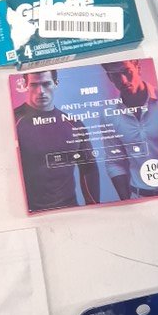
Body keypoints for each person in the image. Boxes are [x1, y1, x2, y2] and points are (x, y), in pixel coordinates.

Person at [14, 70, 100, 212]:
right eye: (34, 85)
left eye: (46, 84)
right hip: (28, 213)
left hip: (71, 208)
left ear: (56, 84)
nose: (41, 91)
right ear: (25, 86)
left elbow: (89, 167)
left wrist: (94, 205)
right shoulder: (14, 121)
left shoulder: (73, 124)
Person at [101, 60, 158, 200]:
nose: (123, 80)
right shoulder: (108, 115)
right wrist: (127, 202)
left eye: (126, 72)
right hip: (139, 195)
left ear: (138, 68)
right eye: (115, 75)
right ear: (109, 77)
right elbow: (114, 161)